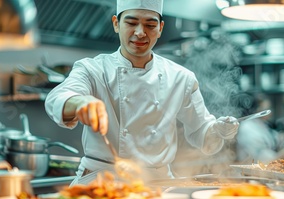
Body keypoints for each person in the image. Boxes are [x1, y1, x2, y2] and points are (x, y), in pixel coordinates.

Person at [44, 0, 239, 185]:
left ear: (160, 28)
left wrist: (218, 130)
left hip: (158, 184)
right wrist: (80, 103)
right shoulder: (93, 69)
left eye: (150, 25)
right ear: (116, 24)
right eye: (131, 22)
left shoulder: (181, 77)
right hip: (101, 180)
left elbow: (202, 131)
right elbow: (57, 98)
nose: (140, 33)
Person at [234, 92, 281, 163]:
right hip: (250, 169)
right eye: (266, 109)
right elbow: (259, 153)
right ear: (257, 109)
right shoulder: (247, 127)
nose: (269, 112)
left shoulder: (263, 123)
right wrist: (282, 158)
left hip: (265, 167)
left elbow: (271, 139)